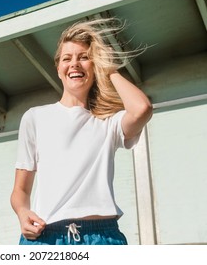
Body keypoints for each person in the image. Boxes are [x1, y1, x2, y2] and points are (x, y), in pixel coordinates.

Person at [10, 17, 153, 245]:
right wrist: (22, 213)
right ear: (58, 69)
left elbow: (142, 109)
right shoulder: (35, 118)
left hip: (102, 237)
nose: (74, 63)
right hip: (47, 238)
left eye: (84, 57)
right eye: (67, 58)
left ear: (95, 67)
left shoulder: (109, 122)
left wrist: (108, 68)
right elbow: (20, 190)